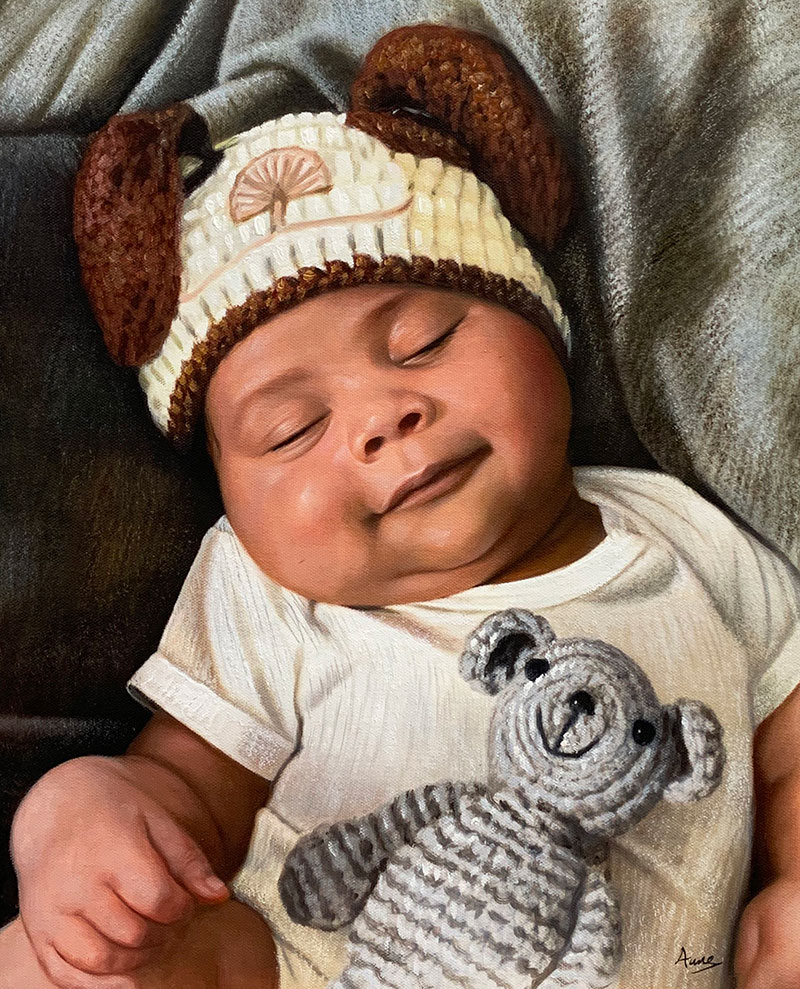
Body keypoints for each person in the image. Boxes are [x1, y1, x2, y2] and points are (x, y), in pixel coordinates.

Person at [1, 24, 799, 989]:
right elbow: (185, 790)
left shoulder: (689, 536)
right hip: (305, 968)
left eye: (424, 342)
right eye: (293, 428)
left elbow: (789, 749)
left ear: (541, 325)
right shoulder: (266, 590)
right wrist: (81, 809)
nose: (383, 418)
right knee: (75, 958)